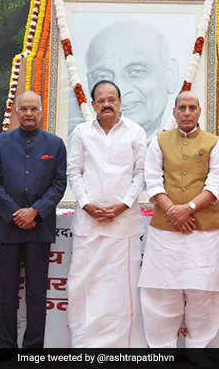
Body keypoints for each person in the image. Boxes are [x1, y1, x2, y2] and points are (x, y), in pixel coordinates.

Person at [139, 90, 219, 350]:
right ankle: (161, 349)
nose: (187, 113)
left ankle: (198, 348)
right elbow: (152, 181)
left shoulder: (213, 143)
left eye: (192, 108)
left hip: (205, 234)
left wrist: (186, 209)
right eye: (182, 108)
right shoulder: (160, 141)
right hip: (165, 233)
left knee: (203, 294)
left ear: (199, 112)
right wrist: (174, 213)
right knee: (162, 294)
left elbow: (215, 185)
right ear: (175, 112)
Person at [66, 80, 146, 347]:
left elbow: (141, 174)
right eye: (101, 100)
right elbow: (74, 171)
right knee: (82, 288)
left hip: (123, 227)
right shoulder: (81, 133)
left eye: (112, 99)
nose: (107, 104)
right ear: (93, 105)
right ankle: (83, 347)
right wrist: (87, 204)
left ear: (120, 102)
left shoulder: (135, 132)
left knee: (121, 292)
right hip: (88, 226)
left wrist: (122, 205)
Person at [0, 91, 67, 350]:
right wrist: (15, 213)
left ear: (42, 112)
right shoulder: (1, 142)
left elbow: (59, 184)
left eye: (34, 108)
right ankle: (5, 348)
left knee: (36, 292)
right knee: (5, 292)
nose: (29, 113)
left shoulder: (55, 145)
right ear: (16, 112)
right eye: (24, 109)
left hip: (39, 226)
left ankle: (33, 348)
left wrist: (35, 211)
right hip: (7, 227)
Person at [70, 21, 180, 143]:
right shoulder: (78, 139)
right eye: (103, 75)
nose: (120, 90)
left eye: (136, 71)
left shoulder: (185, 141)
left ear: (170, 75)